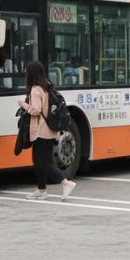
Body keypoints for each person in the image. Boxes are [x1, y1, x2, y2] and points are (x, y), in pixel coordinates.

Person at [17, 61, 76, 201]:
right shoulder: (47, 86)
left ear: (31, 73)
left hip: (41, 132)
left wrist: (23, 104)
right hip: (49, 130)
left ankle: (65, 183)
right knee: (40, 161)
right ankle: (41, 190)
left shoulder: (35, 89)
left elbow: (36, 111)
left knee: (42, 162)